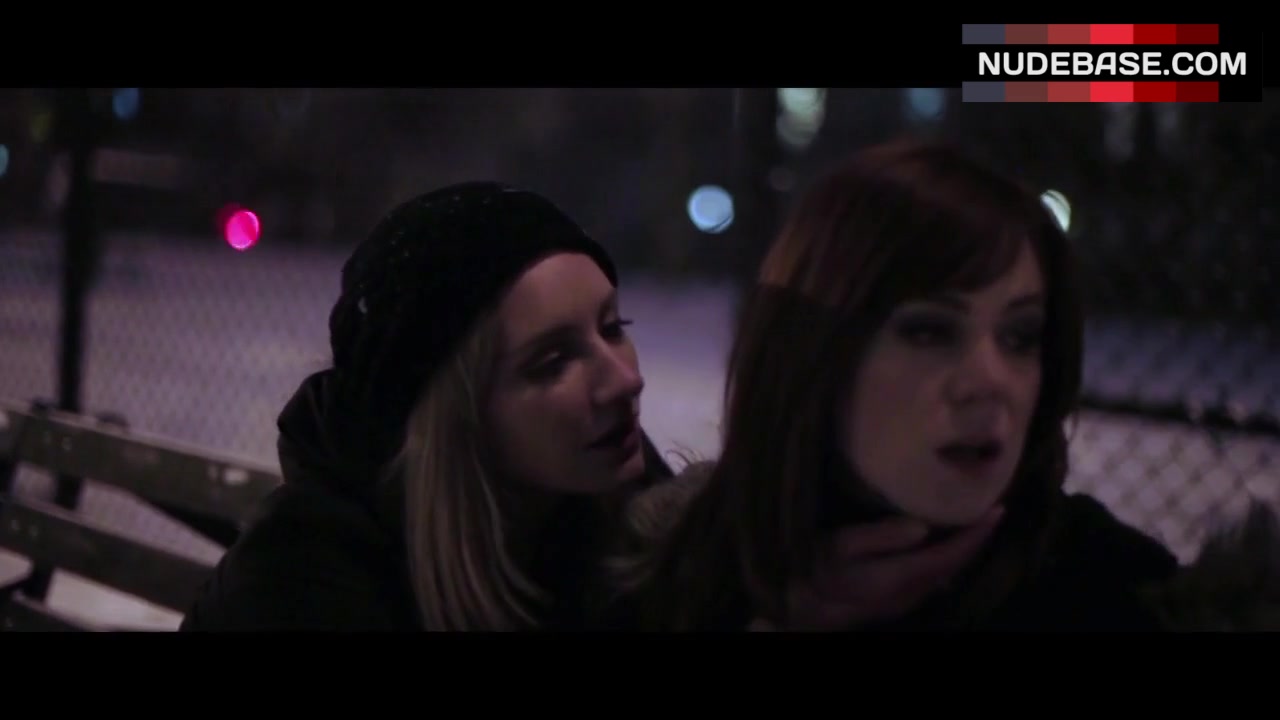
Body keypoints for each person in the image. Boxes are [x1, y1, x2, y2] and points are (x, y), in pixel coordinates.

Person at [607, 138, 1280, 632]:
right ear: (814, 357)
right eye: (929, 331)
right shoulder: (675, 579)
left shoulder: (1108, 593)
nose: (990, 382)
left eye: (1020, 336)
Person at [180, 181, 673, 631]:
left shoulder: (618, 488)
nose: (626, 380)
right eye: (553, 361)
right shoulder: (300, 587)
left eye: (613, 328)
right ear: (454, 415)